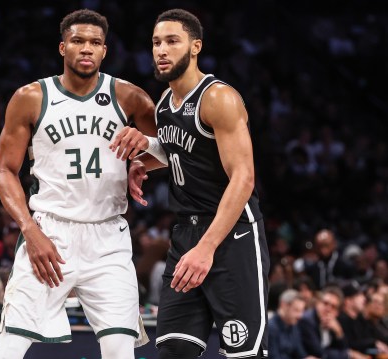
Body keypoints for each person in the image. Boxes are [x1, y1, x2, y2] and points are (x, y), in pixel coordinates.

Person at [0, 9, 156, 359]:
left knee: (119, 349)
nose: (86, 48)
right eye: (78, 41)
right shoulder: (30, 97)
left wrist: (141, 164)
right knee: (11, 345)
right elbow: (5, 170)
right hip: (51, 231)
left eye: (95, 42)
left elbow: (168, 148)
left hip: (108, 236)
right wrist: (30, 231)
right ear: (63, 47)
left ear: (105, 51)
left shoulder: (131, 98)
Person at [110, 9, 269, 358]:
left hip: (231, 236)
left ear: (195, 47)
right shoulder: (166, 103)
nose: (161, 50)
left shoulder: (218, 98)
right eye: (155, 43)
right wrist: (142, 163)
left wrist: (207, 248)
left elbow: (243, 178)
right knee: (172, 351)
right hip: (186, 235)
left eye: (171, 41)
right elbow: (181, 151)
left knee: (243, 355)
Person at [297, 286, 349, 359]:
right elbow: (319, 353)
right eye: (325, 303)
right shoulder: (307, 321)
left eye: (333, 307)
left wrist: (338, 331)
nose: (328, 309)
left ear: (337, 313)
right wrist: (344, 355)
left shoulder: (334, 323)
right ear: (318, 303)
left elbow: (345, 350)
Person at [268, 289, 319, 359]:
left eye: (301, 311)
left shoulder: (293, 326)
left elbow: (300, 354)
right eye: (296, 310)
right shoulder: (270, 328)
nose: (300, 316)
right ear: (284, 305)